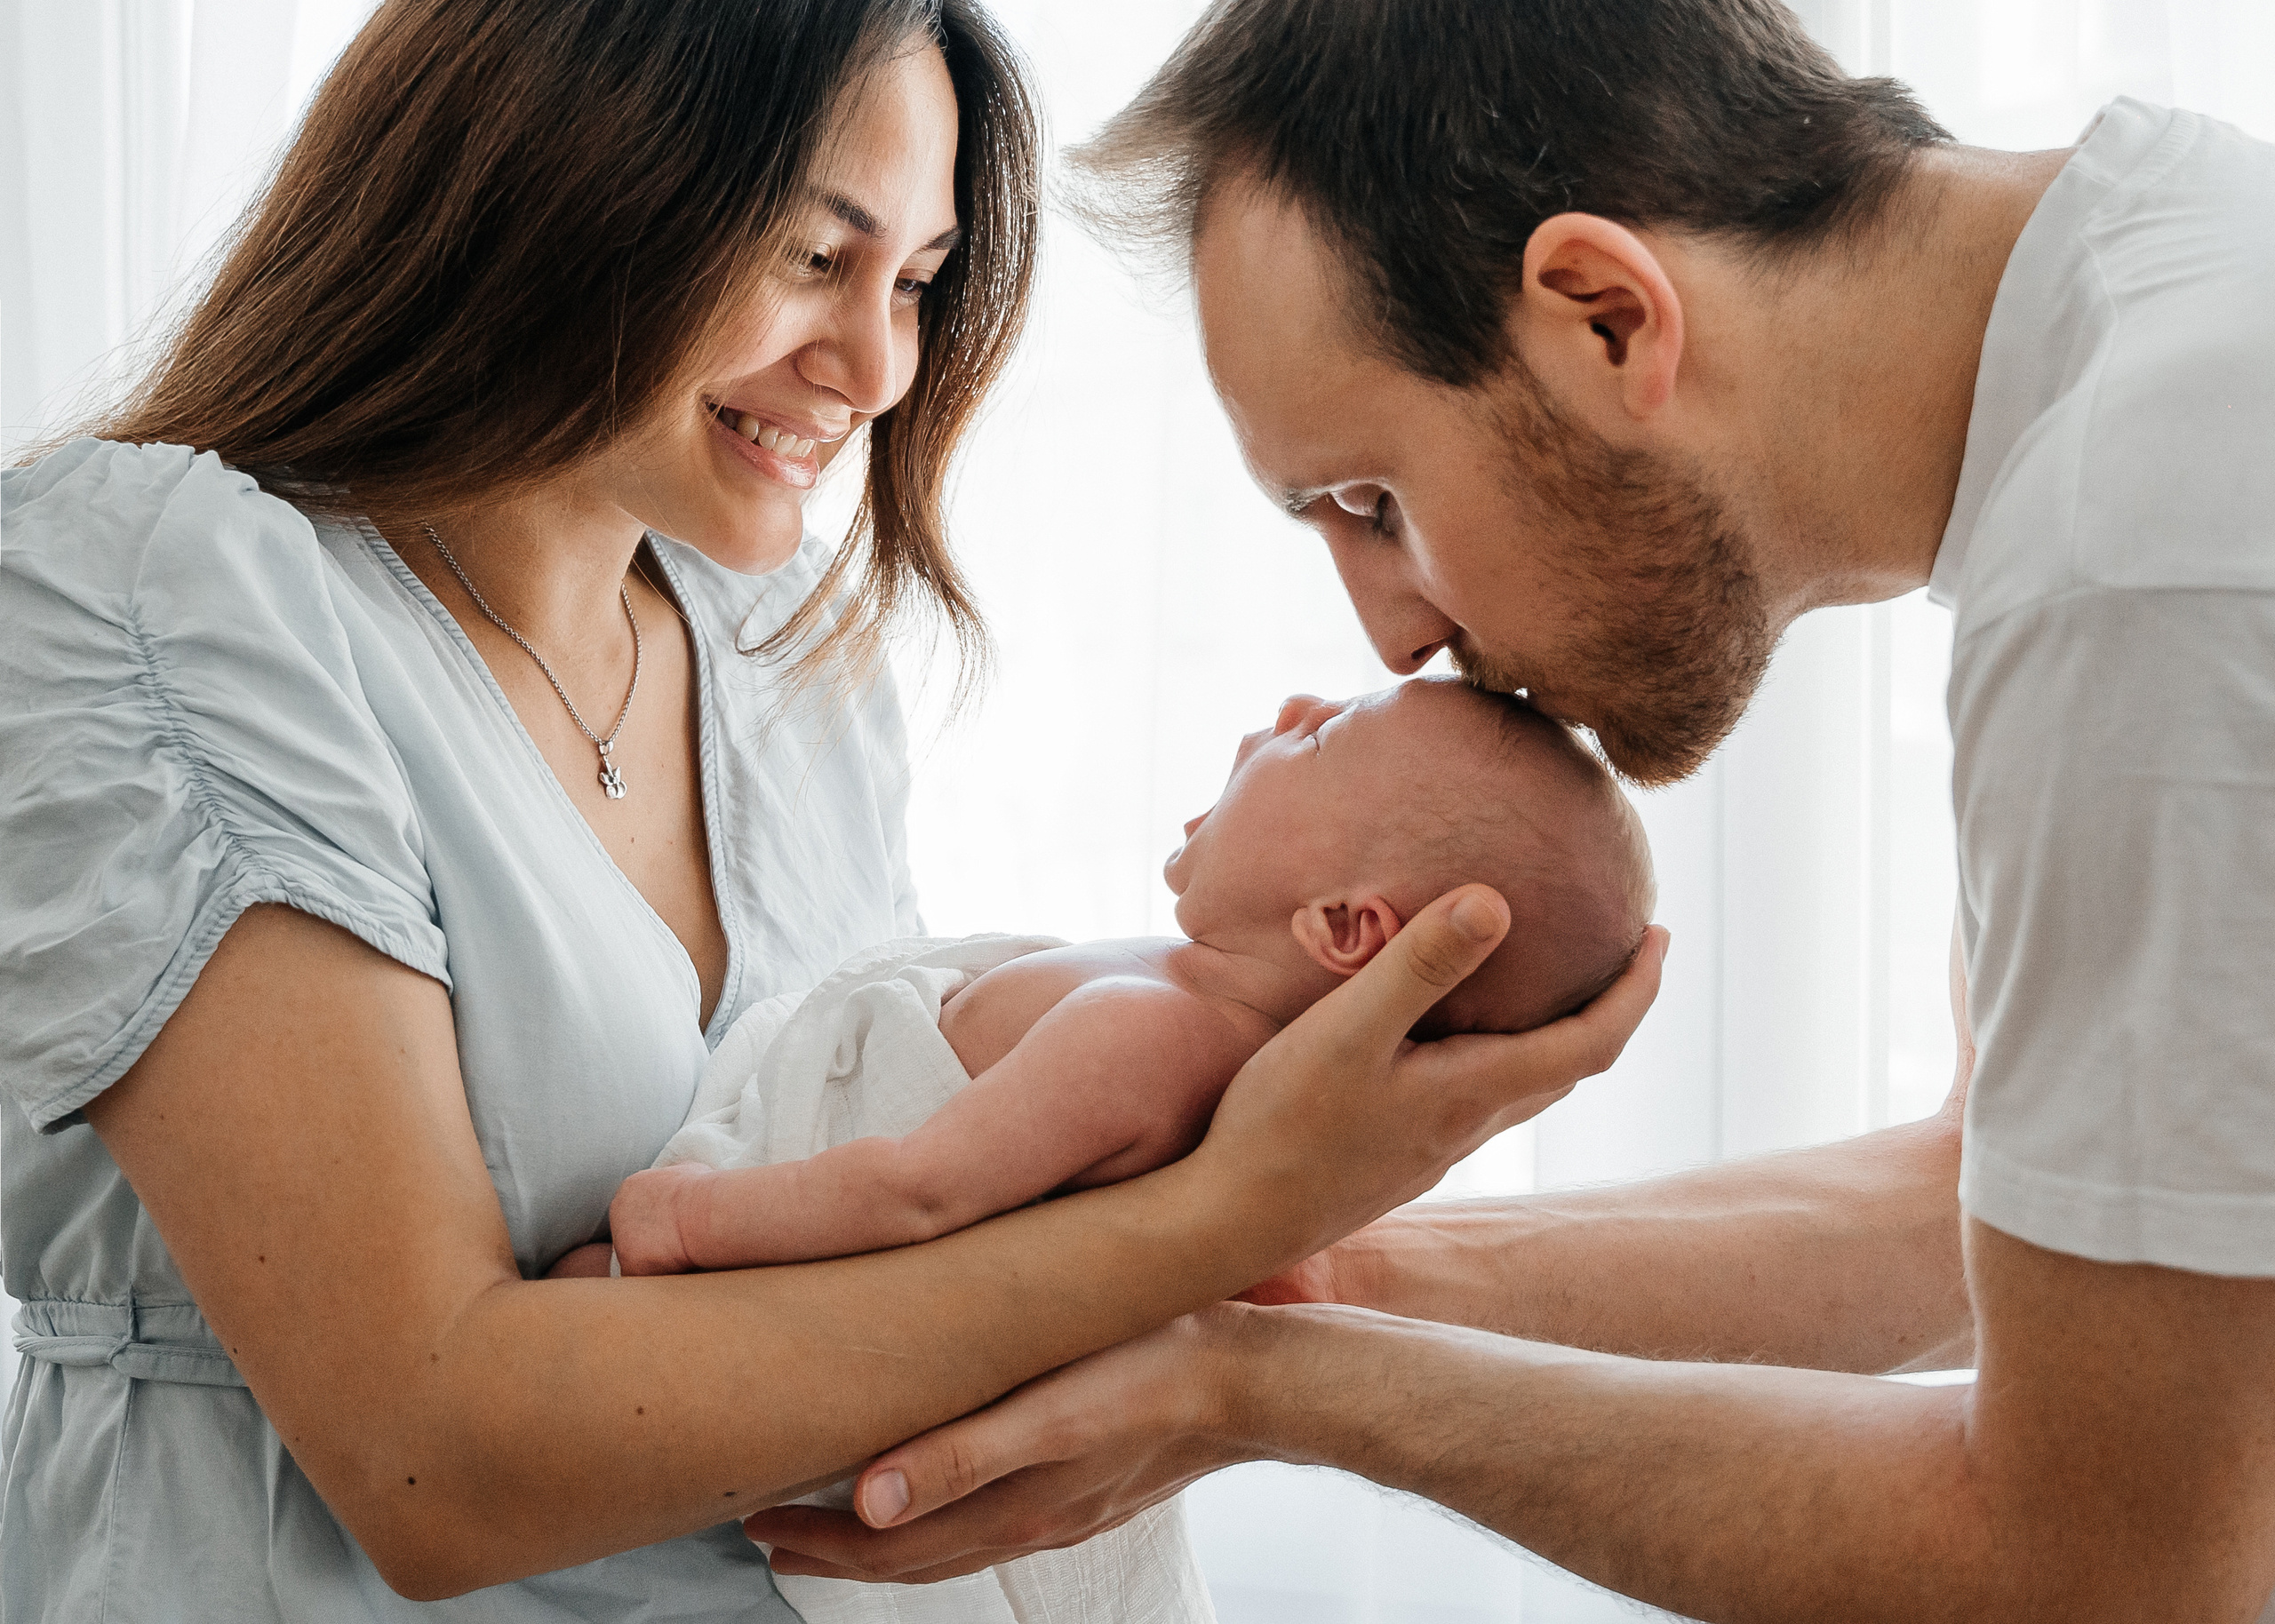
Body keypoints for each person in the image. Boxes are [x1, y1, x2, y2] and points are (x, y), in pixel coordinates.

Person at [0, 3, 1667, 1620]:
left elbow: (881, 1192)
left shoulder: (784, 657)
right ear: (565, 182)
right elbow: (435, 1464)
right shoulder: (176, 589)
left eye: (920, 283)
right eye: (817, 257)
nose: (875, 365)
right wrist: (1228, 1214)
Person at [747, 2, 2275, 1619]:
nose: (1389, 638)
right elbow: (1982, 1215)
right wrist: (1279, 1271)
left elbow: (2118, 1566)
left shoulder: (2145, 561)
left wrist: (1258, 1389)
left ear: (1607, 316)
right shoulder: (2165, 290)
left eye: (1372, 501)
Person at [597, 679, 1654, 1278]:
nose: (1287, 710)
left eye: (1322, 737)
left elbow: (918, 1191)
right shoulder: (1191, 1011)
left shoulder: (1152, 1039)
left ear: (1343, 925)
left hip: (765, 1246)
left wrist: (690, 1224)